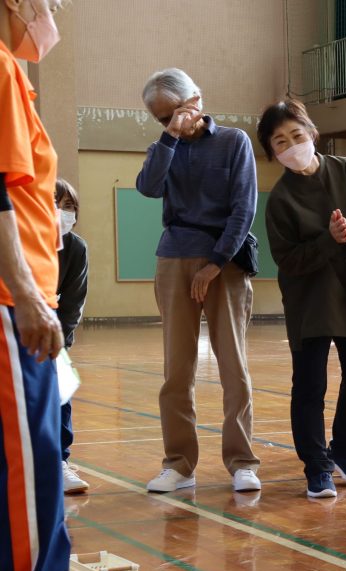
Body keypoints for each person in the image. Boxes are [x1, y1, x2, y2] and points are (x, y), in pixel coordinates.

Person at [0, 0, 119, 571]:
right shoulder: (1, 69)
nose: (57, 10)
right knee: (34, 470)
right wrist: (25, 295)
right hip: (11, 301)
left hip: (15, 296)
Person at [136, 68, 261, 494]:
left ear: (197, 100)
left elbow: (243, 209)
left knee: (233, 368)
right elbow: (148, 188)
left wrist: (215, 263)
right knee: (177, 369)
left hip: (223, 261)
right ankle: (179, 464)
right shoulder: (163, 148)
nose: (172, 122)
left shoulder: (233, 142)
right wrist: (169, 138)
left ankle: (242, 462)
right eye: (161, 119)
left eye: (176, 112)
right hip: (173, 258)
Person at [258, 100, 346, 498]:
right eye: (281, 142)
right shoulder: (280, 200)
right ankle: (317, 467)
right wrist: (329, 241)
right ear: (273, 153)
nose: (292, 146)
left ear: (312, 133)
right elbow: (287, 259)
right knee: (310, 387)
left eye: (297, 136)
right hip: (309, 303)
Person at [54, 178, 89, 494]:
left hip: (53, 332)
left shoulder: (76, 249)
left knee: (62, 392)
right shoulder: (19, 239)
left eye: (69, 208)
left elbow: (73, 302)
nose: (63, 213)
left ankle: (60, 462)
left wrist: (58, 343)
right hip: (12, 324)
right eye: (56, 204)